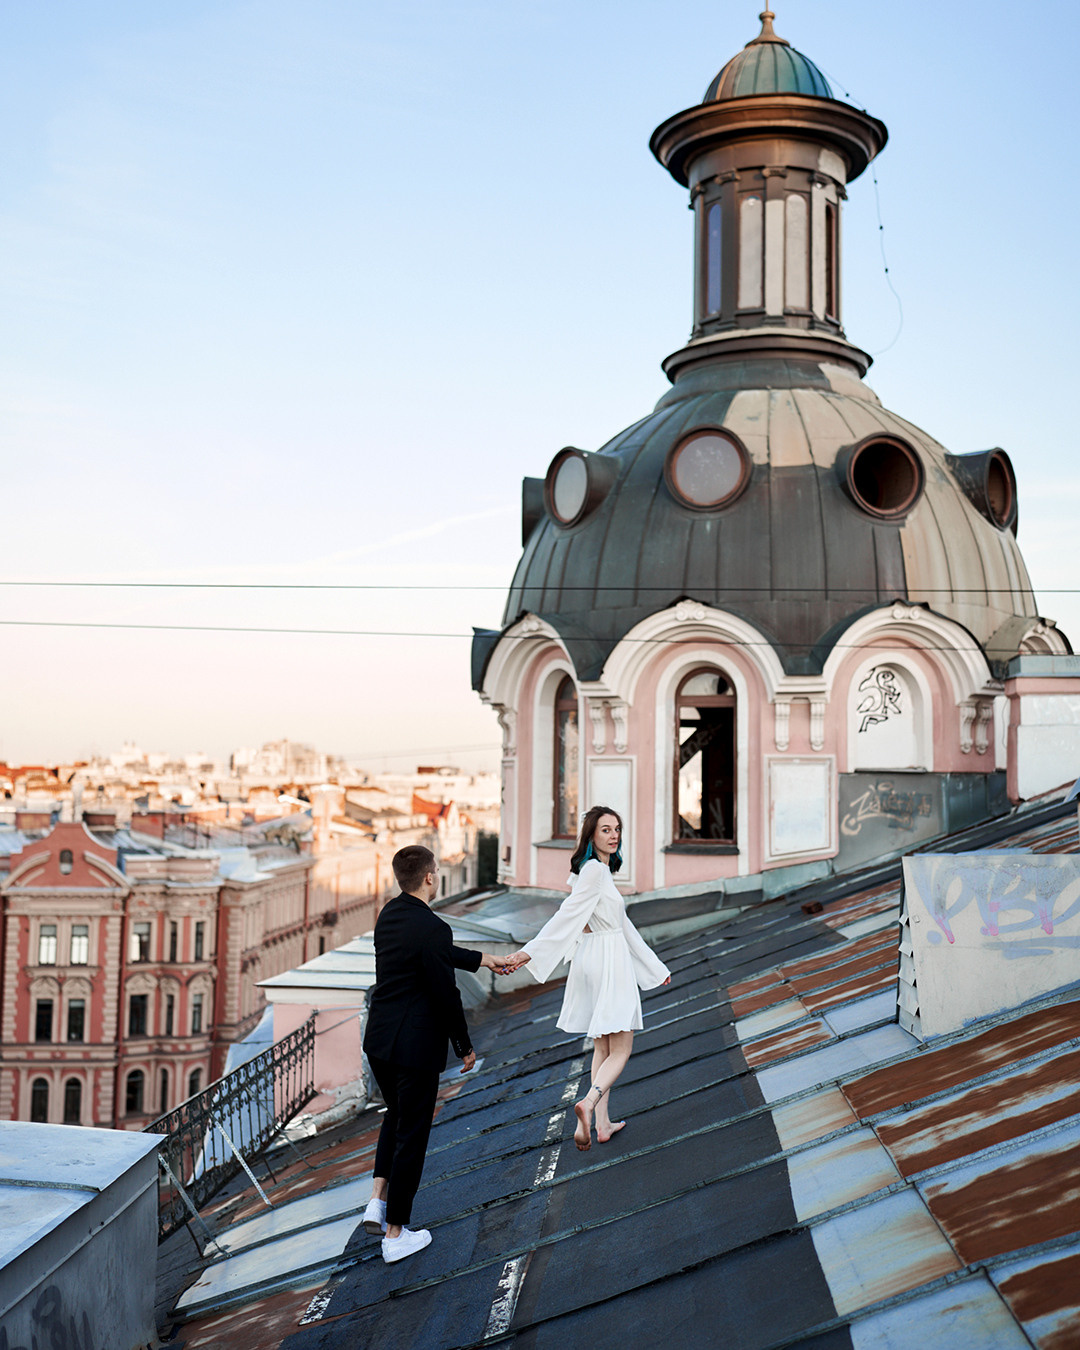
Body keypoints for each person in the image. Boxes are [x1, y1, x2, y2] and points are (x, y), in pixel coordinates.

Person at [361, 844, 503, 1262]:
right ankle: (395, 1234)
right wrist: (464, 1045)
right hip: (414, 1048)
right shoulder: (434, 928)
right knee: (413, 1136)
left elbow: (431, 953)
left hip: (380, 1042)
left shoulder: (389, 915)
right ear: (429, 877)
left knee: (397, 1116)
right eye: (437, 872)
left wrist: (485, 960)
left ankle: (376, 1200)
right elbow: (446, 994)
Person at [502, 806, 670, 1151]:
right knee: (622, 1048)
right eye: (606, 829)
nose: (613, 835)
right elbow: (567, 917)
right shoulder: (594, 872)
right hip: (608, 957)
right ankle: (590, 1102)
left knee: (603, 1045)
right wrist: (527, 952)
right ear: (591, 835)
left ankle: (603, 1123)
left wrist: (654, 967)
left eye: (617, 829)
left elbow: (623, 926)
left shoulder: (591, 873)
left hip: (592, 957)